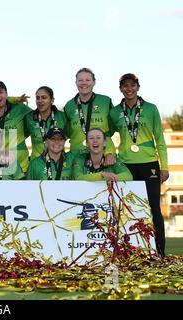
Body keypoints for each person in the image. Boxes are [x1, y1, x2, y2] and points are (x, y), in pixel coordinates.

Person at [109, 73, 168, 257]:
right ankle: (129, 251)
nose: (129, 89)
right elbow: (106, 135)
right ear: (120, 89)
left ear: (138, 87)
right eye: (125, 86)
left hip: (149, 163)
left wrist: (164, 165)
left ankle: (160, 251)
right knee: (127, 208)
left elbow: (159, 137)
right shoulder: (115, 112)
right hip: (126, 164)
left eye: (132, 85)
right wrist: (109, 153)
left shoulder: (151, 109)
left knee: (154, 208)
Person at [64, 68, 116, 165]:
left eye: (88, 80)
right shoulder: (69, 106)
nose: (84, 83)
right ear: (76, 83)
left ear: (94, 82)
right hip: (77, 155)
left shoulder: (105, 101)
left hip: (103, 154)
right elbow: (68, 131)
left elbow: (112, 128)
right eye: (80, 80)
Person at [0, 81, 32, 173]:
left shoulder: (20, 108)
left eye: (1, 92)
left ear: (6, 94)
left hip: (21, 169)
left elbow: (35, 122)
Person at [25, 86, 67, 161]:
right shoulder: (29, 117)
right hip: (37, 165)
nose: (40, 101)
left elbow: (70, 135)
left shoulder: (62, 116)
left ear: (52, 100)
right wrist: (15, 99)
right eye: (38, 98)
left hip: (58, 164)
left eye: (44, 97)